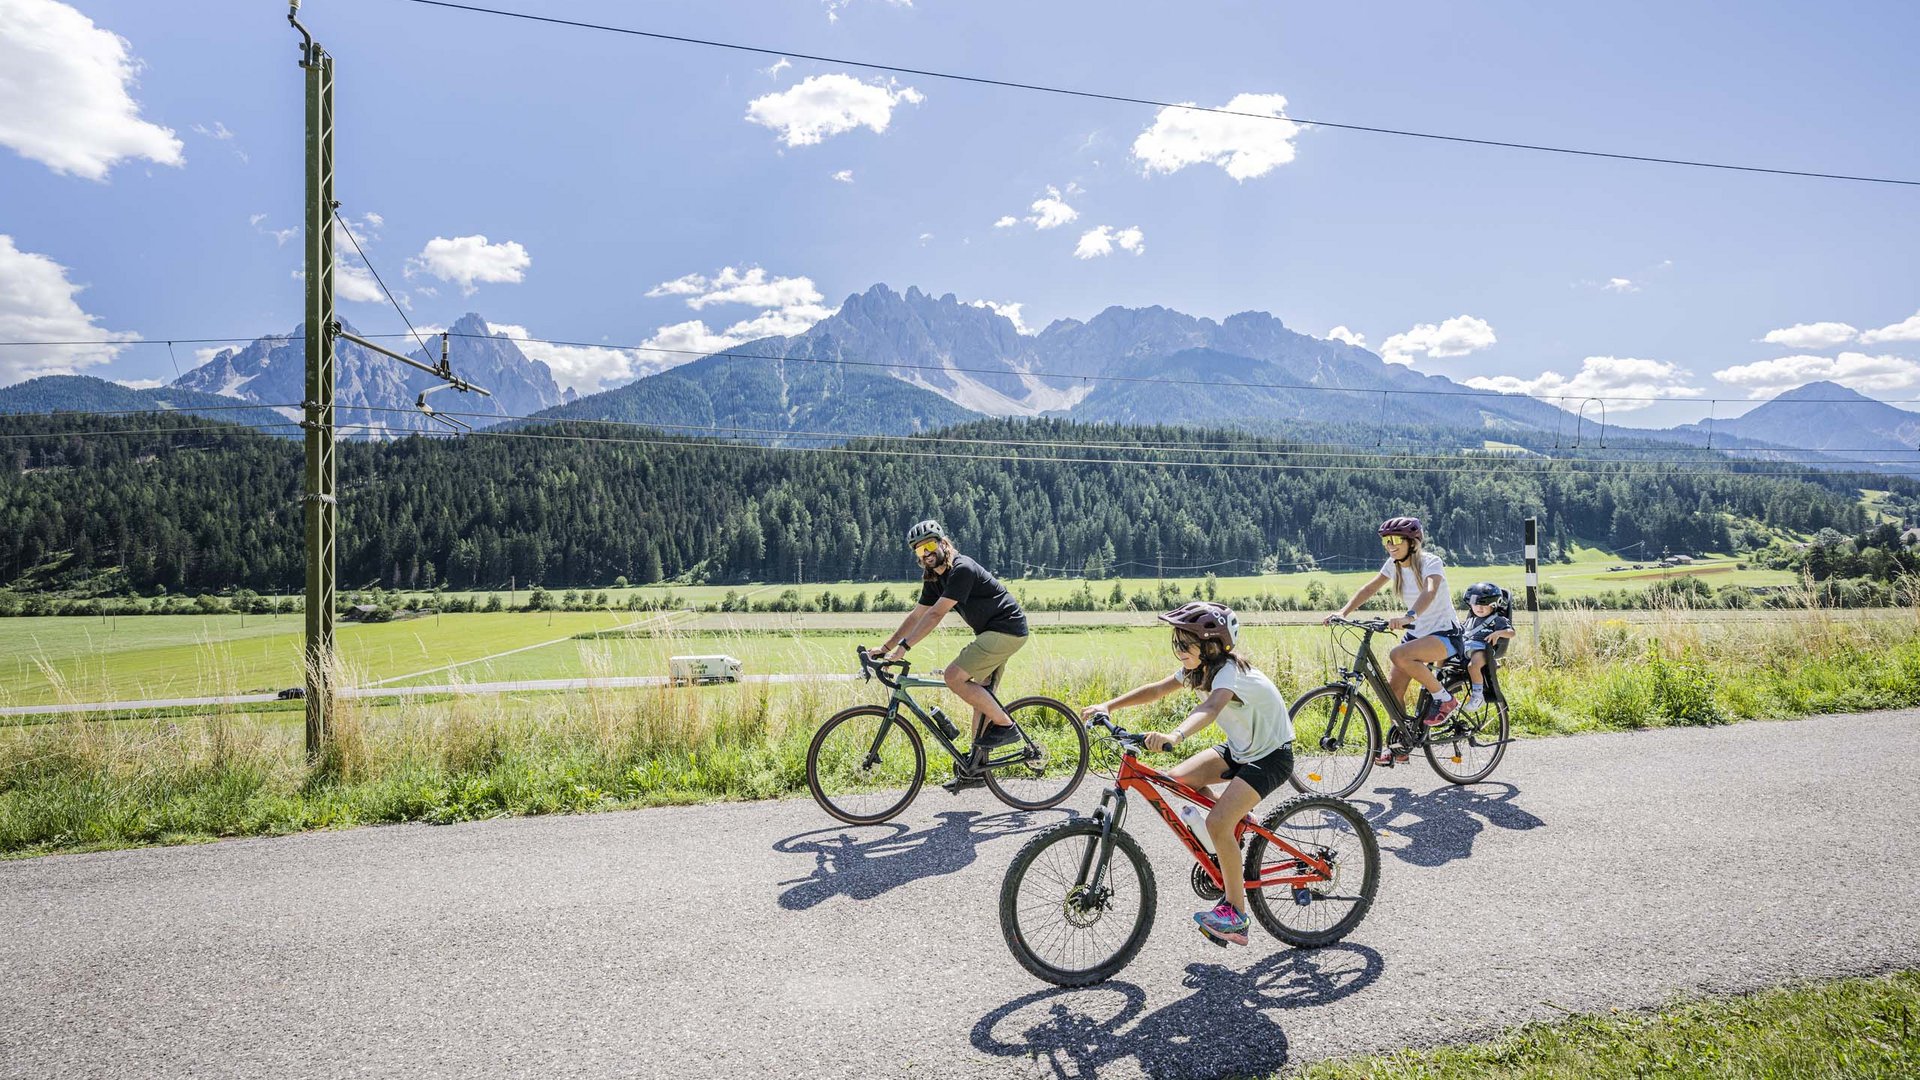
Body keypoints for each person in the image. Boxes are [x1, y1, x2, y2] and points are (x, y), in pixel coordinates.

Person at [1084, 601, 1292, 948]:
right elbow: (1156, 689)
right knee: (1177, 782)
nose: (1178, 650)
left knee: (1216, 825)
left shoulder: (1227, 671)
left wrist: (1174, 736)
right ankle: (1234, 825)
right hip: (1241, 750)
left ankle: (1236, 916)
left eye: (1184, 643)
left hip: (1271, 757)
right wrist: (1109, 705)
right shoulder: (1200, 670)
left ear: (1210, 646)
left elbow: (1210, 708)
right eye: (1176, 642)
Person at [873, 520, 1030, 792]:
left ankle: (1006, 726)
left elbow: (935, 614)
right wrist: (886, 648)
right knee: (979, 695)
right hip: (990, 633)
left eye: (930, 545)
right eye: (919, 551)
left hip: (1006, 630)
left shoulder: (962, 569)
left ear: (944, 543)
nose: (926, 554)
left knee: (953, 676)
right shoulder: (934, 577)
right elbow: (917, 614)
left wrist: (904, 648)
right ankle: (977, 769)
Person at [1324, 516, 1463, 766]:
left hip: (1444, 634)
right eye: (1386, 541)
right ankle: (1400, 744)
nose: (1390, 545)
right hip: (1417, 633)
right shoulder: (1394, 565)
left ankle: (1444, 698)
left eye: (1396, 539)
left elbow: (1429, 591)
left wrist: (1409, 615)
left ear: (1412, 542)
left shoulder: (1431, 562)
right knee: (1393, 690)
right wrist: (1343, 613)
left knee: (1398, 654)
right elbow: (1370, 588)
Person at [1460, 581, 1516, 711]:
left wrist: (1498, 633)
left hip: (1483, 649)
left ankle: (1478, 696)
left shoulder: (1497, 619)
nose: (1479, 608)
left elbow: (1511, 633)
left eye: (1483, 604)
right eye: (1476, 604)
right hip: (1467, 648)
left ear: (1494, 605)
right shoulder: (1470, 620)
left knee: (1473, 666)